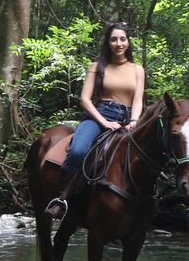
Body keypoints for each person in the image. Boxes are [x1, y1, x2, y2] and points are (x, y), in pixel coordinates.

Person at [45, 22, 145, 220]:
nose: (119, 43)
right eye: (114, 39)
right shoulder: (96, 67)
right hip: (98, 117)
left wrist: (134, 120)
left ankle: (144, 203)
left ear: (128, 41)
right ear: (108, 42)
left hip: (128, 120)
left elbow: (138, 99)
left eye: (122, 39)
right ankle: (62, 199)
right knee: (78, 151)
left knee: (144, 156)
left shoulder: (137, 69)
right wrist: (105, 123)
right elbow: (85, 99)